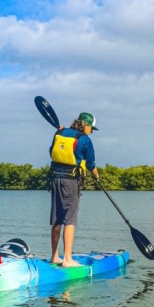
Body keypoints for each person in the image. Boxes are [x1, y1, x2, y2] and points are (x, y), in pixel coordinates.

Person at [49, 112, 100, 268]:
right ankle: (67, 260)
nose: (91, 131)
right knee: (70, 219)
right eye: (91, 128)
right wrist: (96, 176)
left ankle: (55, 257)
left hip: (54, 179)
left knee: (57, 218)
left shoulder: (60, 132)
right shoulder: (85, 140)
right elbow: (90, 163)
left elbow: (51, 150)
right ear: (86, 125)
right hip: (70, 181)